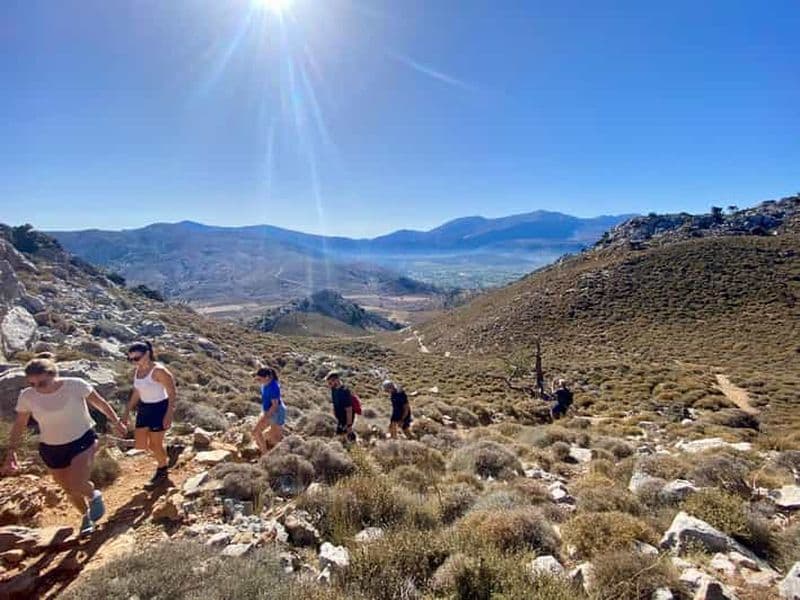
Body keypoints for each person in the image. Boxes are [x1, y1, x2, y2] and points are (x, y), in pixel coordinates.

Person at [1, 353, 127, 535]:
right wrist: (12, 451)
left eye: (42, 383)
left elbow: (100, 403)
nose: (37, 388)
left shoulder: (75, 385)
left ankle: (94, 495)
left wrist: (116, 421)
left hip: (82, 439)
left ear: (54, 375)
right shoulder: (27, 396)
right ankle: (85, 516)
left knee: (77, 483)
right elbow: (20, 424)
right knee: (69, 489)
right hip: (51, 448)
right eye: (32, 384)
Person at [122, 341, 177, 490]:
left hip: (160, 407)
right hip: (145, 407)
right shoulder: (138, 371)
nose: (134, 362)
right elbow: (137, 392)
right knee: (140, 444)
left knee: (154, 444)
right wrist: (126, 412)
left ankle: (162, 470)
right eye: (131, 359)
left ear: (147, 354)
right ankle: (170, 451)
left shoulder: (159, 371)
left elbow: (172, 392)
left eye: (136, 358)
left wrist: (169, 414)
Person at [252, 367, 285, 454]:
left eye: (259, 379)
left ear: (267, 377)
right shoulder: (265, 383)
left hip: (276, 412)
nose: (258, 381)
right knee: (262, 434)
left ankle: (266, 455)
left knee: (273, 439)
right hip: (270, 411)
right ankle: (266, 454)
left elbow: (275, 405)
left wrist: (265, 416)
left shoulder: (273, 387)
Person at [325, 371, 355, 442]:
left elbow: (349, 410)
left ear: (336, 380)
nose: (329, 385)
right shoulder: (333, 389)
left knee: (344, 435)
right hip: (339, 418)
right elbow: (335, 403)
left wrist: (349, 425)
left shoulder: (344, 391)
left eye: (330, 383)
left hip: (346, 418)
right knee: (341, 435)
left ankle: (354, 447)